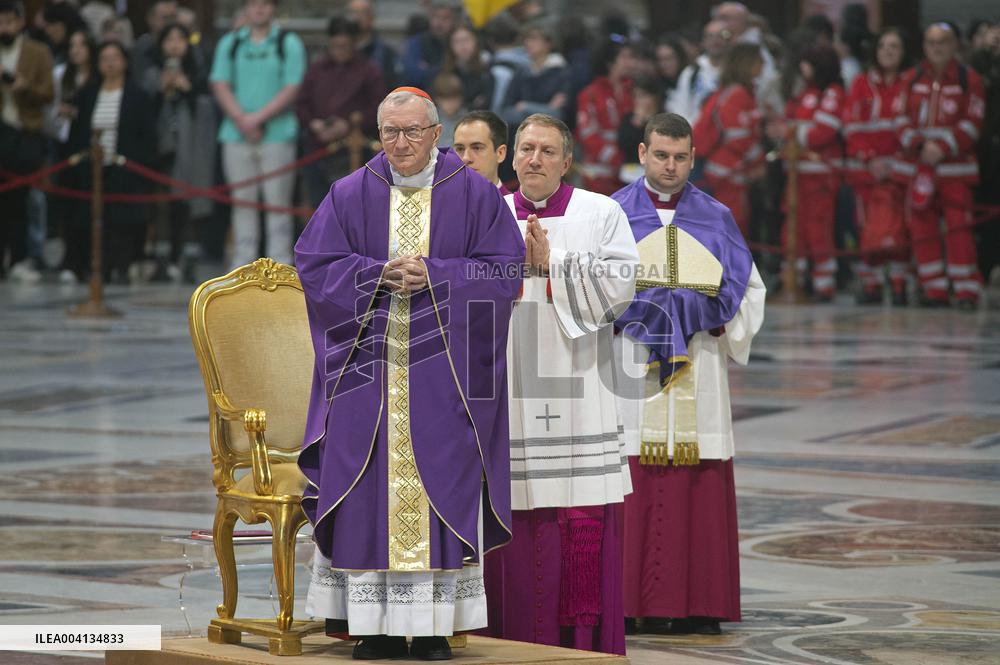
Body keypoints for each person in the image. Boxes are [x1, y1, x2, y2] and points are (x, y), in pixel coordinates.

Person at [297, 87, 523, 661]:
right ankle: (369, 627)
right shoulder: (350, 193)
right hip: (365, 371)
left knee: (438, 480)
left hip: (443, 375)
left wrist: (438, 275)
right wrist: (374, 275)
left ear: (436, 133)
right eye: (390, 133)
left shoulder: (472, 193)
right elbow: (314, 265)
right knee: (365, 483)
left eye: (413, 132)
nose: (401, 144)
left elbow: (504, 272)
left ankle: (430, 628)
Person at [483, 113, 638, 655]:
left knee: (574, 511)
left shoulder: (602, 212)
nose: (535, 159)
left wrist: (557, 263)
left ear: (567, 161)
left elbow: (623, 287)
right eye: (526, 149)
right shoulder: (489, 212)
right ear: (511, 156)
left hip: (578, 382)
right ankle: (503, 636)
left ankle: (579, 641)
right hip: (509, 381)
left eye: (548, 151)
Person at [611, 112, 765, 636]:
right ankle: (630, 601)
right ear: (642, 153)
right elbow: (591, 286)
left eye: (679, 157)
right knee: (632, 474)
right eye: (660, 155)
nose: (670, 166)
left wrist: (720, 324)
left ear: (692, 158)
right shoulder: (613, 215)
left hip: (699, 365)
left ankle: (699, 601)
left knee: (696, 478)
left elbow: (750, 289)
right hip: (631, 369)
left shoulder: (715, 217)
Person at [209, 0, 306, 269]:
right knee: (242, 205)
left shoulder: (288, 43)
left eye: (265, 4)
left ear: (273, 8)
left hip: (277, 134)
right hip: (235, 134)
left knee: (278, 205)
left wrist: (258, 118)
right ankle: (242, 267)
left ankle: (281, 267)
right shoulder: (231, 43)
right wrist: (242, 119)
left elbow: (293, 85)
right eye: (254, 4)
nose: (259, 9)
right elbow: (220, 82)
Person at [895, 23, 986, 309]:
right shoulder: (911, 78)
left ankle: (965, 291)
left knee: (959, 230)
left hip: (954, 171)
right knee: (922, 230)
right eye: (931, 42)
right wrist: (921, 147)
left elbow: (973, 122)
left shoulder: (968, 79)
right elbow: (899, 120)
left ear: (955, 45)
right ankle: (933, 290)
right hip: (919, 169)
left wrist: (943, 148)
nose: (936, 47)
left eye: (943, 42)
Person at [65, 40, 154, 283]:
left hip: (123, 167)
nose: (110, 63)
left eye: (115, 57)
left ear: (125, 61)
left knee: (121, 219)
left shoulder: (138, 95)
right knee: (89, 217)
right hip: (92, 167)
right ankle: (91, 266)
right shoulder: (89, 93)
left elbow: (146, 135)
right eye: (104, 58)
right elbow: (79, 131)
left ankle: (120, 265)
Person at [772, 44, 845, 301]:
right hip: (797, 174)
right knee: (793, 228)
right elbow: (790, 120)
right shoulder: (806, 94)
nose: (803, 69)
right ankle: (794, 281)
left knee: (818, 228)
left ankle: (824, 285)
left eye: (807, 63)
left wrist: (791, 133)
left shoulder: (832, 93)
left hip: (820, 175)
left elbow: (823, 132)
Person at [843, 27, 910, 305]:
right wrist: (870, 158)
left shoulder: (911, 83)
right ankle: (870, 286)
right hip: (866, 171)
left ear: (904, 51)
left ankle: (899, 285)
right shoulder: (861, 83)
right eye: (883, 45)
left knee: (901, 228)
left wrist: (895, 162)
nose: (887, 51)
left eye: (893, 46)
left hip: (901, 171)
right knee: (866, 228)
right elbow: (852, 127)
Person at [144, 22, 215, 282]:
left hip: (192, 149)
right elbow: (144, 109)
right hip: (161, 150)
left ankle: (188, 259)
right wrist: (162, 90)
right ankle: (162, 259)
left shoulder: (198, 74)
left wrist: (188, 89)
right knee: (162, 204)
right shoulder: (151, 73)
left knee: (190, 203)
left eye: (180, 39)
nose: (174, 45)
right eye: (169, 39)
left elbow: (207, 109)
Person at [295, 14, 384, 208]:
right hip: (318, 146)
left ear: (354, 43)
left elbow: (379, 107)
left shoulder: (368, 70)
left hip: (355, 149)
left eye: (345, 46)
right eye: (336, 46)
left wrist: (349, 125)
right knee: (318, 206)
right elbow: (302, 103)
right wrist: (314, 124)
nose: (340, 51)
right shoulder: (317, 69)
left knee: (351, 207)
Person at [0, 0, 53, 282]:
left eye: (8, 22)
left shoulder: (37, 52)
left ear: (20, 22)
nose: (3, 28)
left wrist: (23, 86)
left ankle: (21, 257)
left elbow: (48, 93)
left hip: (25, 132)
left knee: (21, 201)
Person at [693, 42, 765, 237]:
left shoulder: (731, 92)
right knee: (733, 225)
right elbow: (738, 138)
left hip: (725, 168)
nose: (764, 64)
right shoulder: (738, 94)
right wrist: (760, 162)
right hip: (728, 170)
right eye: (759, 60)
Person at [575, 38, 636, 196]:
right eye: (625, 57)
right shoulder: (590, 94)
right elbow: (588, 134)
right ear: (610, 62)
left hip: (631, 174)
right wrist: (617, 159)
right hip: (599, 177)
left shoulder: (634, 91)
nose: (630, 62)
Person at [500, 25, 571, 126]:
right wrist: (545, 109)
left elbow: (557, 115)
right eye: (526, 39)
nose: (528, 43)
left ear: (548, 43)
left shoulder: (561, 73)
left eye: (534, 39)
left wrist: (525, 107)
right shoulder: (521, 72)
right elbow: (505, 112)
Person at [668, 20, 729, 126]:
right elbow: (681, 108)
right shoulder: (691, 72)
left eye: (721, 35)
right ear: (703, 42)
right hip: (698, 135)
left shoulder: (737, 72)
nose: (715, 40)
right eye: (710, 36)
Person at [401, 0, 458, 90]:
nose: (439, 23)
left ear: (453, 21)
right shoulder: (417, 42)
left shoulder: (456, 42)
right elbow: (414, 76)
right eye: (436, 17)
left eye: (445, 18)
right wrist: (444, 69)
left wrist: (429, 69)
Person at [452, 109, 509, 193]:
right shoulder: (438, 203)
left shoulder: (511, 206)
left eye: (477, 148)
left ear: (500, 153)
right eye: (460, 149)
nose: (466, 158)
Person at [347, 0, 399, 88]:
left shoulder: (385, 53)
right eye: (352, 13)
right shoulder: (337, 52)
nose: (356, 18)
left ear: (371, 18)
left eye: (362, 13)